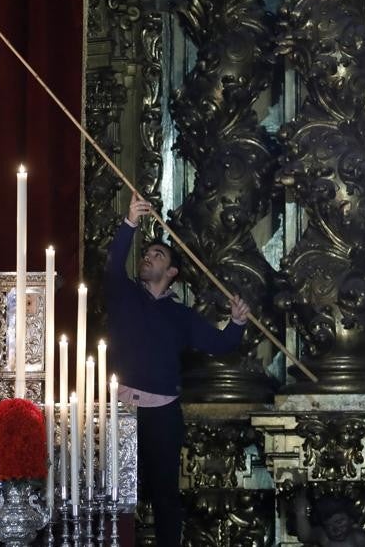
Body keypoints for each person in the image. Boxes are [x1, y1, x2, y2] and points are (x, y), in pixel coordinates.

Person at [105, 194, 249, 547]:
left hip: (164, 414)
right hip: (121, 412)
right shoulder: (126, 297)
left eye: (158, 255)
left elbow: (221, 345)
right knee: (116, 493)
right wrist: (130, 223)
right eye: (147, 253)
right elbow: (112, 268)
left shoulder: (181, 316)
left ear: (171, 273)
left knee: (165, 495)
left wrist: (236, 323)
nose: (148, 258)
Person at [292, 489, 365, 547]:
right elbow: (305, 536)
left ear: (351, 520)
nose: (335, 529)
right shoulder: (324, 536)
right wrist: (301, 513)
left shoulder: (360, 538)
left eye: (339, 522)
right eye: (328, 525)